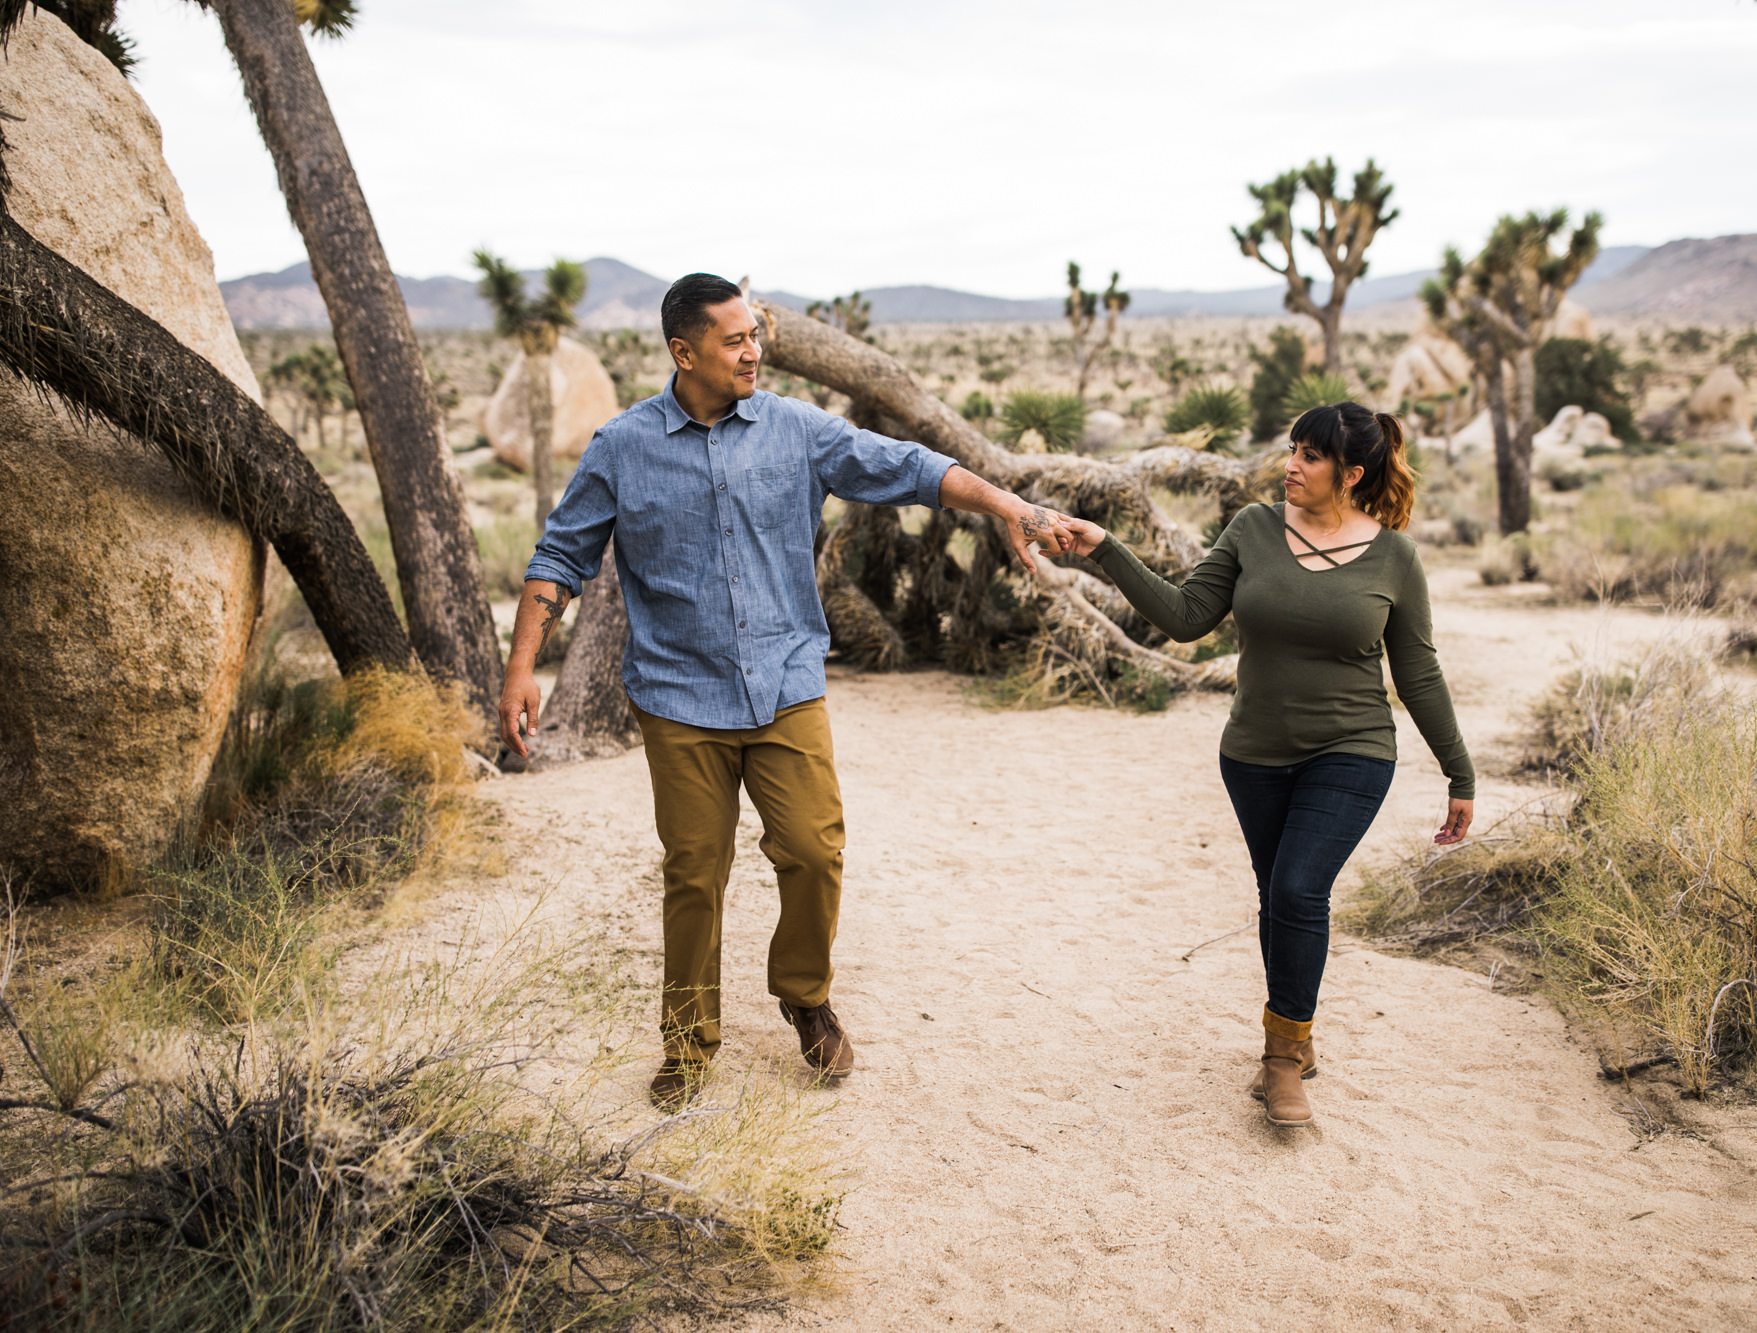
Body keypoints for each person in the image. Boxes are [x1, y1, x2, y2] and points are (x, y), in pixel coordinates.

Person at [500, 273, 1072, 1109]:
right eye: (733, 339)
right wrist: (522, 666)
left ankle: (804, 995)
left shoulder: (796, 429)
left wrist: (1006, 503)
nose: (753, 350)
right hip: (677, 694)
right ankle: (689, 1043)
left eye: (753, 335)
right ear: (682, 351)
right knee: (695, 871)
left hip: (785, 683)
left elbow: (908, 467)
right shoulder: (621, 448)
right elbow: (559, 558)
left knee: (813, 850)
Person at [1057, 403, 1474, 1127]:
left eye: (1310, 456)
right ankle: (1297, 1032)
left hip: (1353, 747)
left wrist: (1459, 774)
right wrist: (1105, 548)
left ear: (1351, 473)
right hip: (1253, 752)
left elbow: (1419, 674)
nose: (1290, 465)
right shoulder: (1253, 528)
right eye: (1291, 450)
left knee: (1300, 887)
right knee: (1275, 895)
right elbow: (1187, 615)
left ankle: (1280, 1060)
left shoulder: (1393, 558)